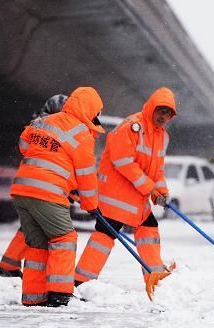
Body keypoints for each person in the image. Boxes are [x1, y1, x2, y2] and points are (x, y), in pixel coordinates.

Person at [74, 87, 176, 294]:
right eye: (160, 111)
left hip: (135, 197)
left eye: (168, 113)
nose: (163, 116)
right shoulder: (132, 127)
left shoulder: (162, 136)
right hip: (115, 196)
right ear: (151, 108)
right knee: (105, 236)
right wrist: (150, 189)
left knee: (147, 229)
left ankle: (155, 276)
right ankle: (80, 281)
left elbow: (159, 169)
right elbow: (122, 161)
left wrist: (161, 191)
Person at [10, 87, 104, 307]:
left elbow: (24, 145)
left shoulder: (44, 121)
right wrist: (92, 205)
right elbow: (86, 175)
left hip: (22, 190)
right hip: (48, 192)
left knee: (38, 244)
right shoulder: (82, 134)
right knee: (64, 239)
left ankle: (34, 297)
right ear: (90, 109)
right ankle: (60, 294)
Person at [0, 94, 68, 278]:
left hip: (32, 183)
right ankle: (17, 270)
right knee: (42, 232)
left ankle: (9, 266)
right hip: (45, 185)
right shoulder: (51, 127)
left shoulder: (35, 125)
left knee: (29, 228)